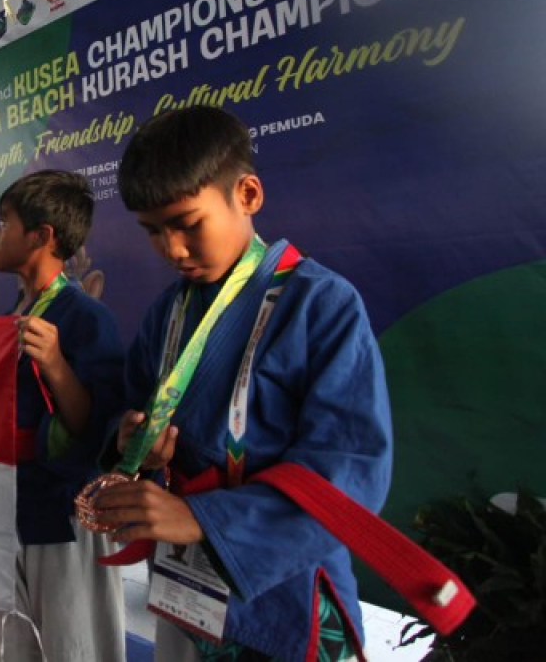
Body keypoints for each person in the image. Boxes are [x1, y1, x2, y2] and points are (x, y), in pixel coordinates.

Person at [77, 106, 392, 661]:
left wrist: (203, 518)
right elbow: (126, 409)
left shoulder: (320, 304)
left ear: (246, 195)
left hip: (288, 592)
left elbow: (351, 472)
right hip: (186, 590)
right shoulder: (164, 315)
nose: (172, 249)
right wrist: (131, 445)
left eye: (187, 224)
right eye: (153, 232)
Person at [0, 170, 127, 661]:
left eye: (5, 222)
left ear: (42, 237)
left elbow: (99, 430)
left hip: (67, 516)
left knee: (74, 646)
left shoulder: (86, 317)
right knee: (16, 647)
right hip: (13, 506)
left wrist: (58, 366)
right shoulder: (12, 315)